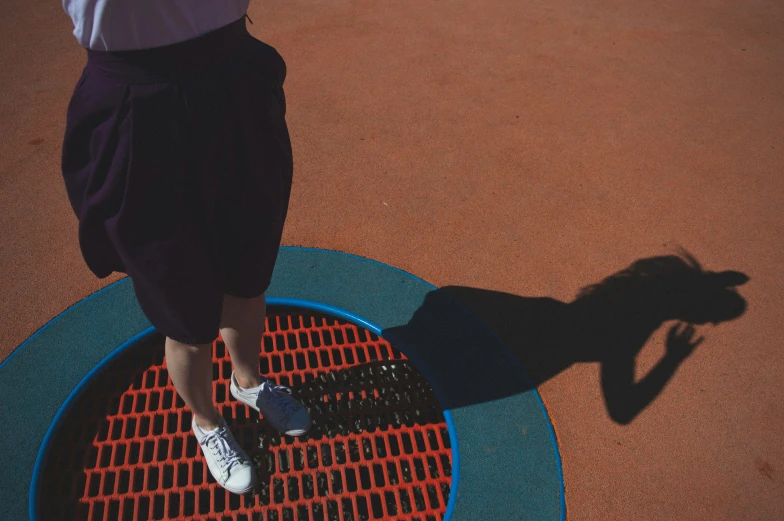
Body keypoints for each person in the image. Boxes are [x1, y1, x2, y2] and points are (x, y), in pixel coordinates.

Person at [60, 1, 311, 494]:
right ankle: (206, 421)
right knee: (183, 308)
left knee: (248, 275)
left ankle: (249, 383)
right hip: (136, 101)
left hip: (234, 80)